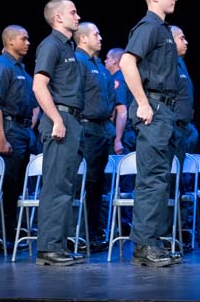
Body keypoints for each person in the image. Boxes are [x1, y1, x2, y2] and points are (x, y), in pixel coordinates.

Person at [119, 0, 180, 267]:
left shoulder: (163, 29)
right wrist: (143, 103)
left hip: (163, 110)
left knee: (158, 180)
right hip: (152, 108)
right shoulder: (149, 27)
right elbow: (126, 62)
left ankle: (151, 241)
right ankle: (144, 244)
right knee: (151, 180)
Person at [33, 0, 85, 266]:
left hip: (72, 119)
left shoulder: (69, 48)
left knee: (65, 186)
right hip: (60, 118)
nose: (77, 16)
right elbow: (39, 85)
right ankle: (49, 248)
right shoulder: (51, 45)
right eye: (73, 12)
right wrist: (56, 119)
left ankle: (58, 245)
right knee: (55, 186)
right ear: (57, 17)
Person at [0, 25, 38, 253]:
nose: (28, 43)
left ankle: (16, 232)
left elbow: (34, 105)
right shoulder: (1, 66)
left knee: (18, 187)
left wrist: (29, 129)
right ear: (9, 42)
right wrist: (1, 138)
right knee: (4, 186)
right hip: (7, 129)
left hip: (23, 130)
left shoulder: (22, 70)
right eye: (23, 39)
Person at [74, 22, 115, 251]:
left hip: (101, 130)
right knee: (84, 182)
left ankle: (92, 232)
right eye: (96, 34)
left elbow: (109, 99)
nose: (100, 37)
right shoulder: (77, 61)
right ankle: (77, 234)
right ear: (83, 39)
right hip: (84, 128)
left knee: (98, 184)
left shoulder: (99, 65)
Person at [170, 25, 198, 249]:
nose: (186, 41)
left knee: (182, 183)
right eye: (181, 38)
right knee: (170, 183)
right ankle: (169, 234)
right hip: (172, 130)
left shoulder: (181, 64)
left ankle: (180, 233)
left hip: (185, 130)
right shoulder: (166, 64)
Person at [104, 48, 136, 154]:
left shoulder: (118, 80)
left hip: (123, 134)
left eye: (107, 58)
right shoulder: (125, 77)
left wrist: (117, 140)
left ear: (114, 61)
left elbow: (122, 110)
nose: (105, 61)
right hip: (127, 132)